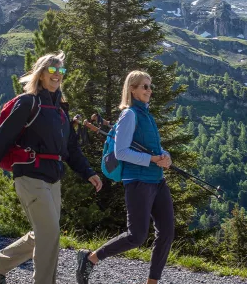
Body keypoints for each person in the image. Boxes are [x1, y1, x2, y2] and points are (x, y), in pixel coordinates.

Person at [0, 51, 102, 284]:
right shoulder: (27, 103)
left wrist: (89, 172)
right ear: (40, 74)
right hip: (29, 176)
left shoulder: (61, 111)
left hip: (53, 179)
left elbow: (71, 149)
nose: (57, 75)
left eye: (61, 71)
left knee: (44, 233)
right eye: (52, 70)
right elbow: (1, 140)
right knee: (50, 234)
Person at [75, 70, 174, 284]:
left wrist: (166, 157)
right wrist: (153, 160)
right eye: (144, 86)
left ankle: (152, 282)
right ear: (132, 89)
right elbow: (121, 152)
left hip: (156, 180)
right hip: (138, 181)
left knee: (166, 231)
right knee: (136, 236)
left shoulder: (147, 114)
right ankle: (91, 259)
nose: (149, 90)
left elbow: (153, 147)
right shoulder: (130, 114)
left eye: (150, 86)